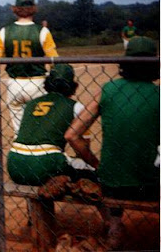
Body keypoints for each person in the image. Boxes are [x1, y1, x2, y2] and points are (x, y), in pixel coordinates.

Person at [65, 36, 159, 249]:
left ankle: (114, 229)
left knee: (117, 169)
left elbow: (72, 135)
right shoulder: (158, 94)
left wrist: (97, 164)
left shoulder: (107, 90)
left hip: (111, 184)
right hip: (149, 186)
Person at [7, 64, 97, 186]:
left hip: (14, 165)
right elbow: (83, 148)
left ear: (47, 83)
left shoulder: (31, 104)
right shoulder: (76, 107)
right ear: (73, 86)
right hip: (46, 165)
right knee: (93, 171)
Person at [0, 0, 59, 134]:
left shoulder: (5, 31)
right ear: (33, 8)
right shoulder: (42, 31)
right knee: (41, 128)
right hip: (38, 83)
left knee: (20, 131)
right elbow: (55, 61)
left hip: (15, 84)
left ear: (15, 9)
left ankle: (22, 150)